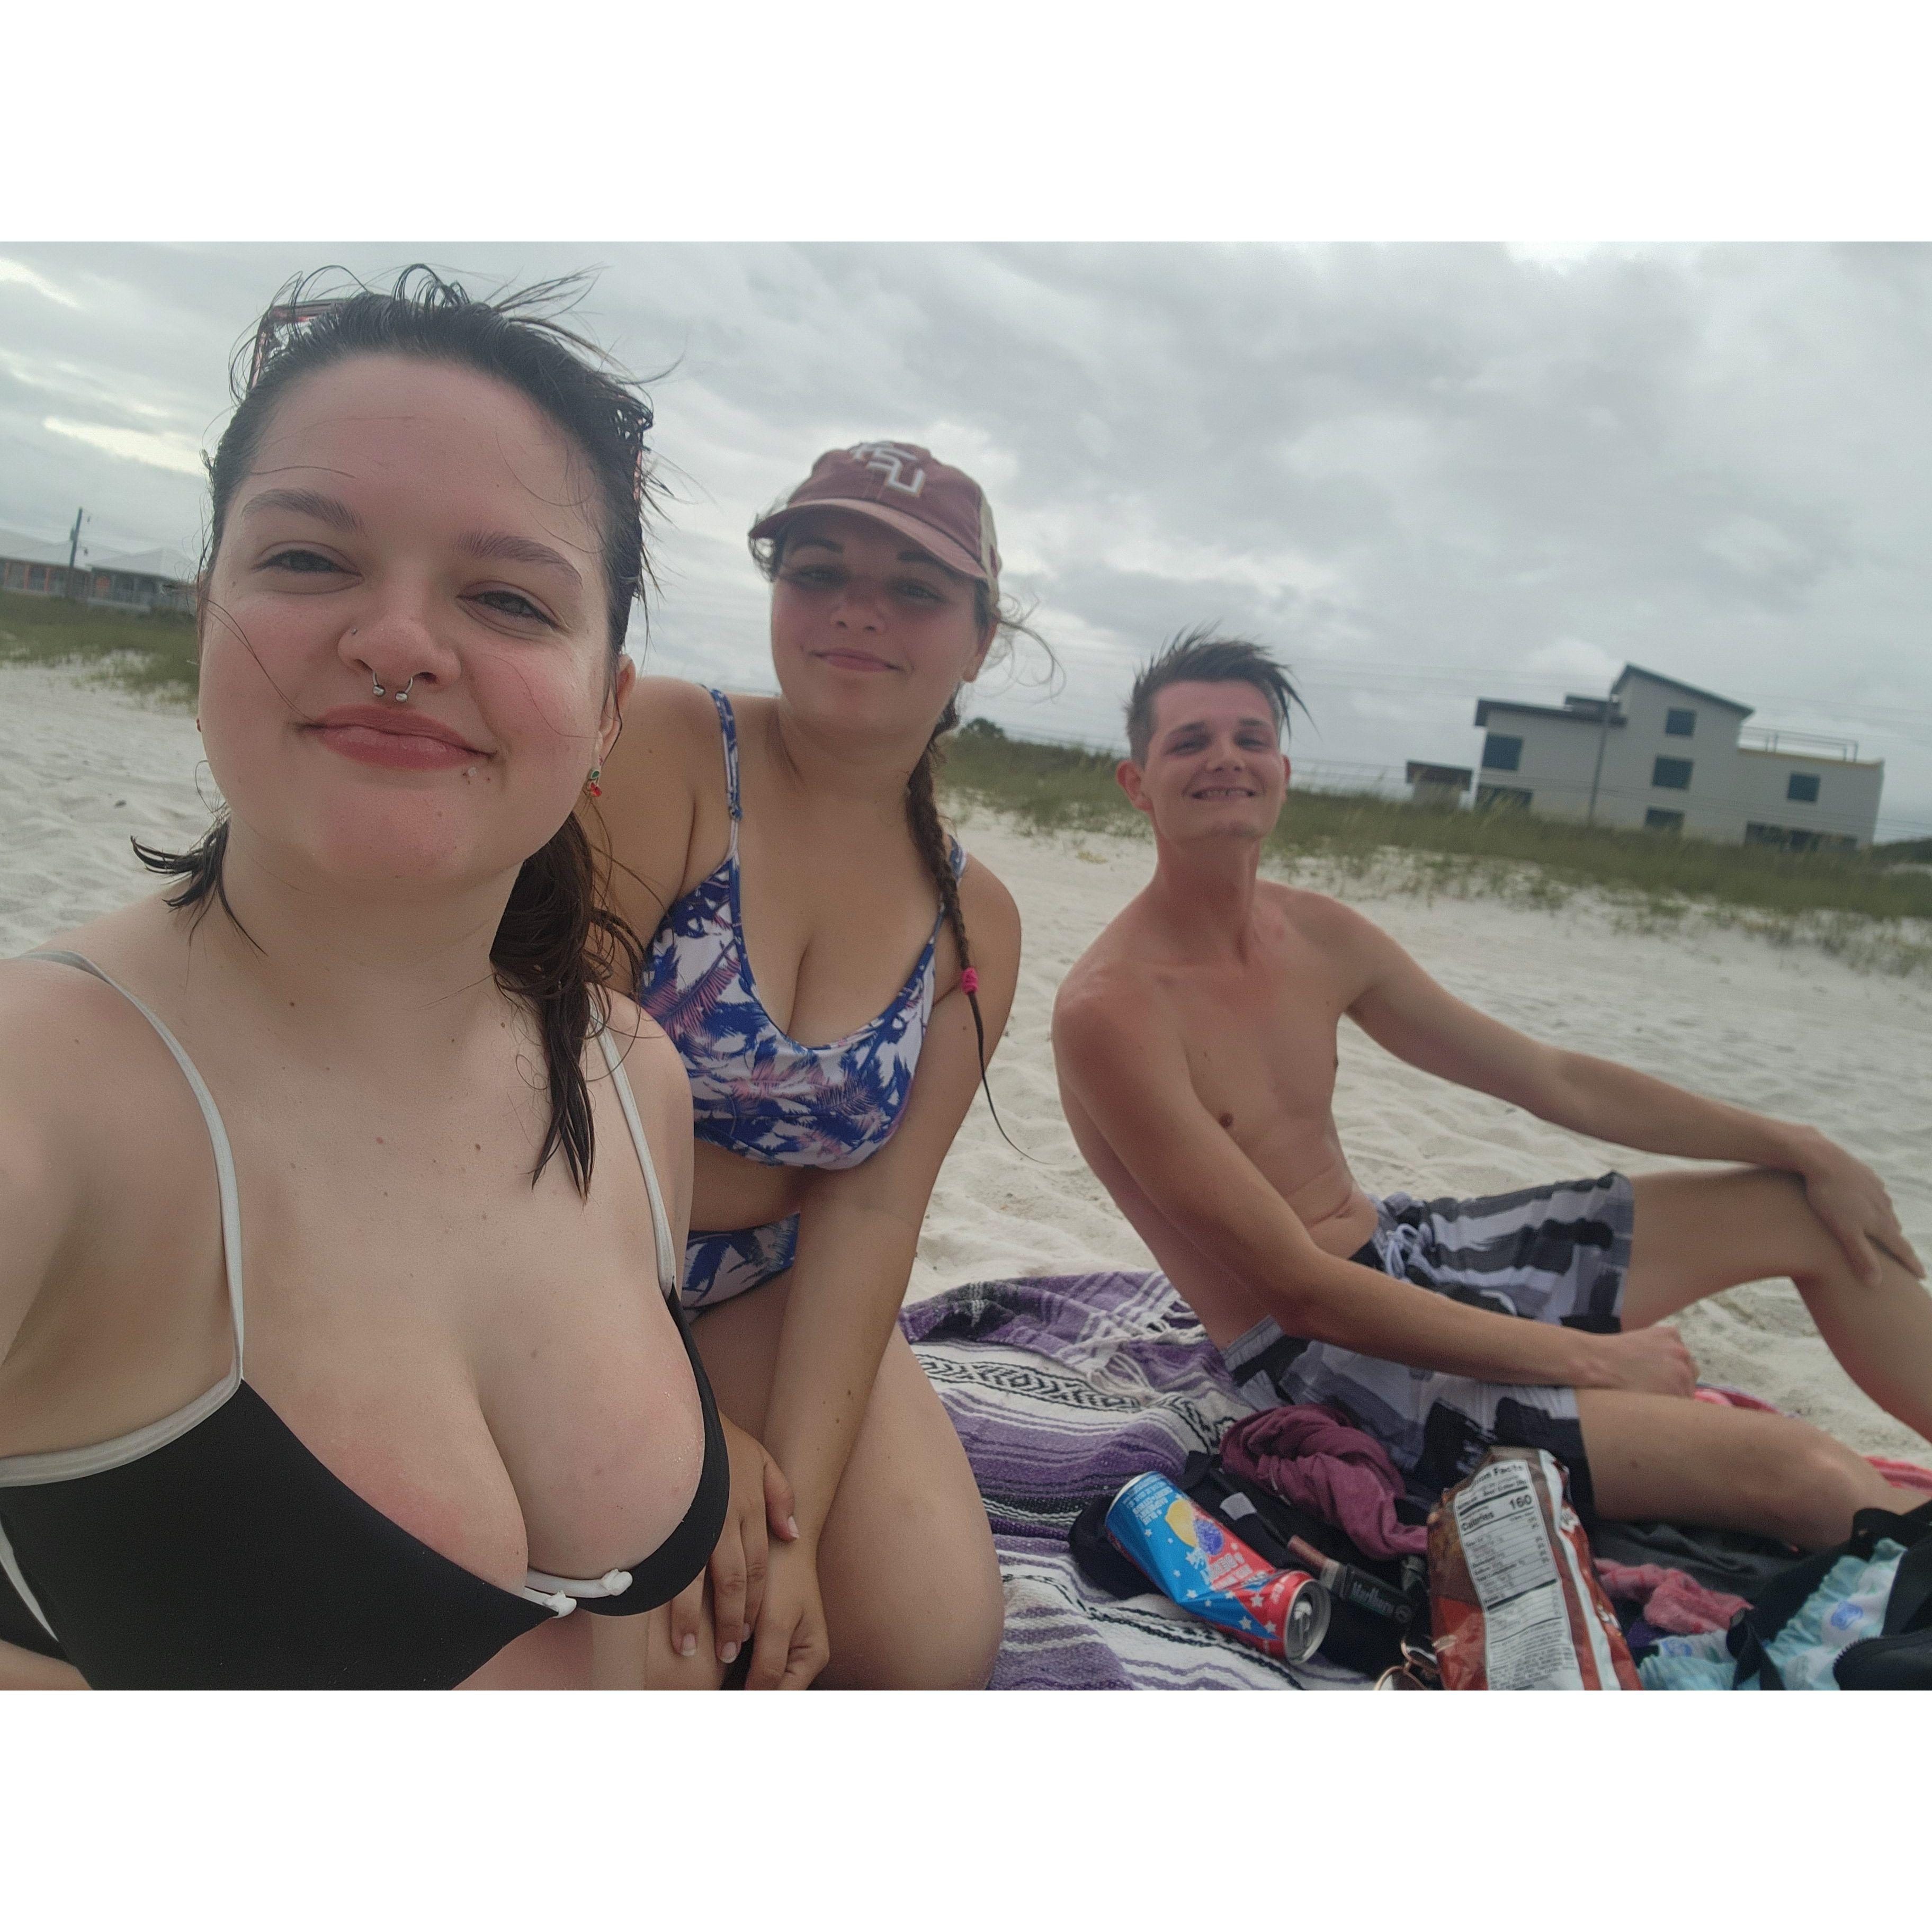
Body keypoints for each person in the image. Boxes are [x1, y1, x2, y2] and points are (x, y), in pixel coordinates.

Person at [0, 270, 792, 1689]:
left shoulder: (626, 1078)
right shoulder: (45, 1095)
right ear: (208, 614)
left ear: (609, 710)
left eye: (505, 596)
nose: (401, 643)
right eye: (309, 561)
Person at [1053, 627, 1932, 1551]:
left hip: (1413, 1252)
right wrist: (1595, 1360)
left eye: (1252, 737)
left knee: (1796, 1208)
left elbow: (1552, 1080)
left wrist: (1801, 1143)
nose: (1227, 758)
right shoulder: (1114, 1010)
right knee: (1812, 1475)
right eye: (1190, 741)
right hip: (1327, 1359)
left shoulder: (1317, 935)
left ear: (1282, 769)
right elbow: (1302, 1292)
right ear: (1137, 784)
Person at [593, 442, 1024, 1687]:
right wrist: (689, 1429)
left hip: (760, 1294)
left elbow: (877, 1212)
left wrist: (797, 1520)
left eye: (918, 590)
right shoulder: (675, 751)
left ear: (980, 641)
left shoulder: (970, 920)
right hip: (559, 1260)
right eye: (819, 569)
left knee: (928, 1643)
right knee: (659, 1653)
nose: (857, 608)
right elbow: (543, 1089)